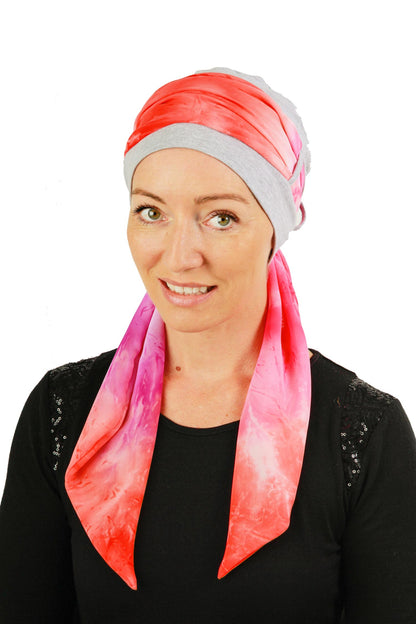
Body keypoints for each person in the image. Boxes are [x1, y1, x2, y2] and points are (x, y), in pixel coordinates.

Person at [0, 67, 415, 624]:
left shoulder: (363, 432)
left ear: (277, 228)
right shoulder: (62, 412)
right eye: (151, 211)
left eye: (221, 217)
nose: (179, 257)